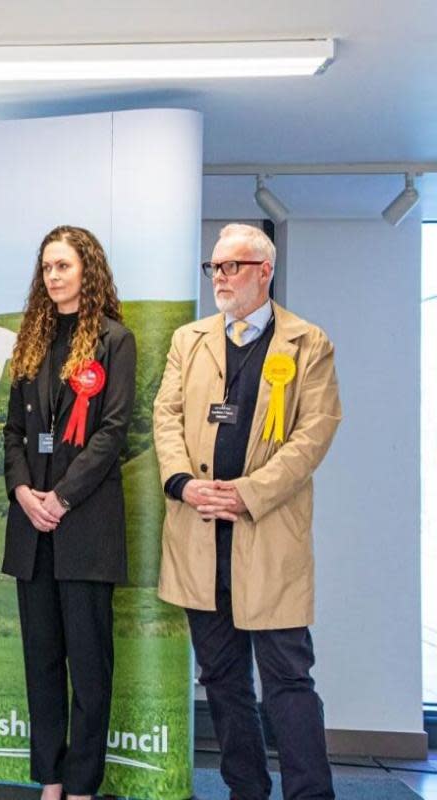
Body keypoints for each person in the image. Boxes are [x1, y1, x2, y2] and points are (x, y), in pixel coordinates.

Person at [155, 223, 341, 800]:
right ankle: (246, 792)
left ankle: (310, 793)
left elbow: (315, 433)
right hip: (200, 535)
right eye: (214, 268)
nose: (221, 279)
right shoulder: (190, 340)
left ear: (265, 271)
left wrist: (250, 492)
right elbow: (165, 415)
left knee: (287, 681)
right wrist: (182, 482)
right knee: (222, 681)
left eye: (232, 267)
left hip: (267, 535)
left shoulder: (308, 343)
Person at [1, 225, 135, 800]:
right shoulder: (30, 343)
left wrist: (61, 497)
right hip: (33, 532)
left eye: (64, 265)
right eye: (47, 267)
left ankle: (81, 785)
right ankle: (50, 781)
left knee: (89, 668)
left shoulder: (113, 340)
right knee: (42, 666)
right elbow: (12, 435)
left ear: (88, 269)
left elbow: (112, 433)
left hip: (84, 528)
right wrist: (25, 493)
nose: (54, 276)